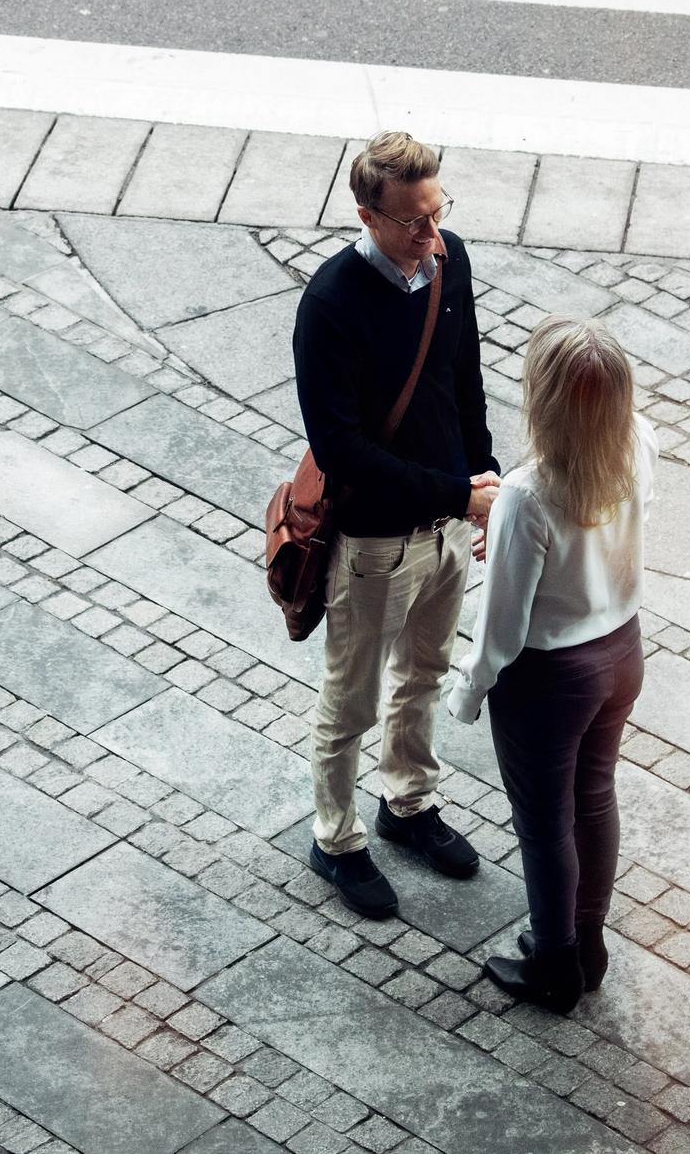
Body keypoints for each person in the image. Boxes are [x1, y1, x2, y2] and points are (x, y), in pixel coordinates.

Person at [293, 130, 501, 920]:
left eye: (437, 212)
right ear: (367, 215)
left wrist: (484, 481)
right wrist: (459, 490)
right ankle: (336, 836)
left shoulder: (451, 261)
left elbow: (464, 379)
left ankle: (407, 802)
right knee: (351, 697)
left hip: (448, 520)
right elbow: (340, 449)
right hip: (376, 541)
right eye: (412, 221)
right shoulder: (331, 304)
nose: (430, 235)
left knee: (427, 671)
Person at [447, 317, 657, 1012]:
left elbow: (501, 626)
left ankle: (554, 964)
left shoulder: (527, 495)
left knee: (543, 822)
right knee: (594, 798)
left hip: (549, 679)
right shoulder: (637, 446)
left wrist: (470, 690)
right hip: (622, 651)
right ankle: (587, 944)